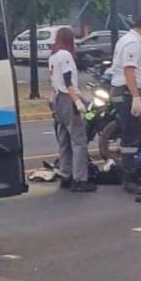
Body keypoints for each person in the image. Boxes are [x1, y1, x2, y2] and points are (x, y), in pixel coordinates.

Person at [109, 11, 141, 194]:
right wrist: (136, 96)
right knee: (131, 135)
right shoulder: (133, 43)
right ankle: (129, 179)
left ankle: (130, 174)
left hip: (123, 90)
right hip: (127, 92)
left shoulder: (128, 39)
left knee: (131, 134)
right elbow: (129, 70)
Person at [48, 27, 95, 193]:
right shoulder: (66, 55)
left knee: (64, 140)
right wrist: (78, 102)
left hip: (57, 99)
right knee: (78, 140)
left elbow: (54, 81)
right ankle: (79, 179)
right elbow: (68, 81)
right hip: (68, 98)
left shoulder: (53, 56)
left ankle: (66, 175)